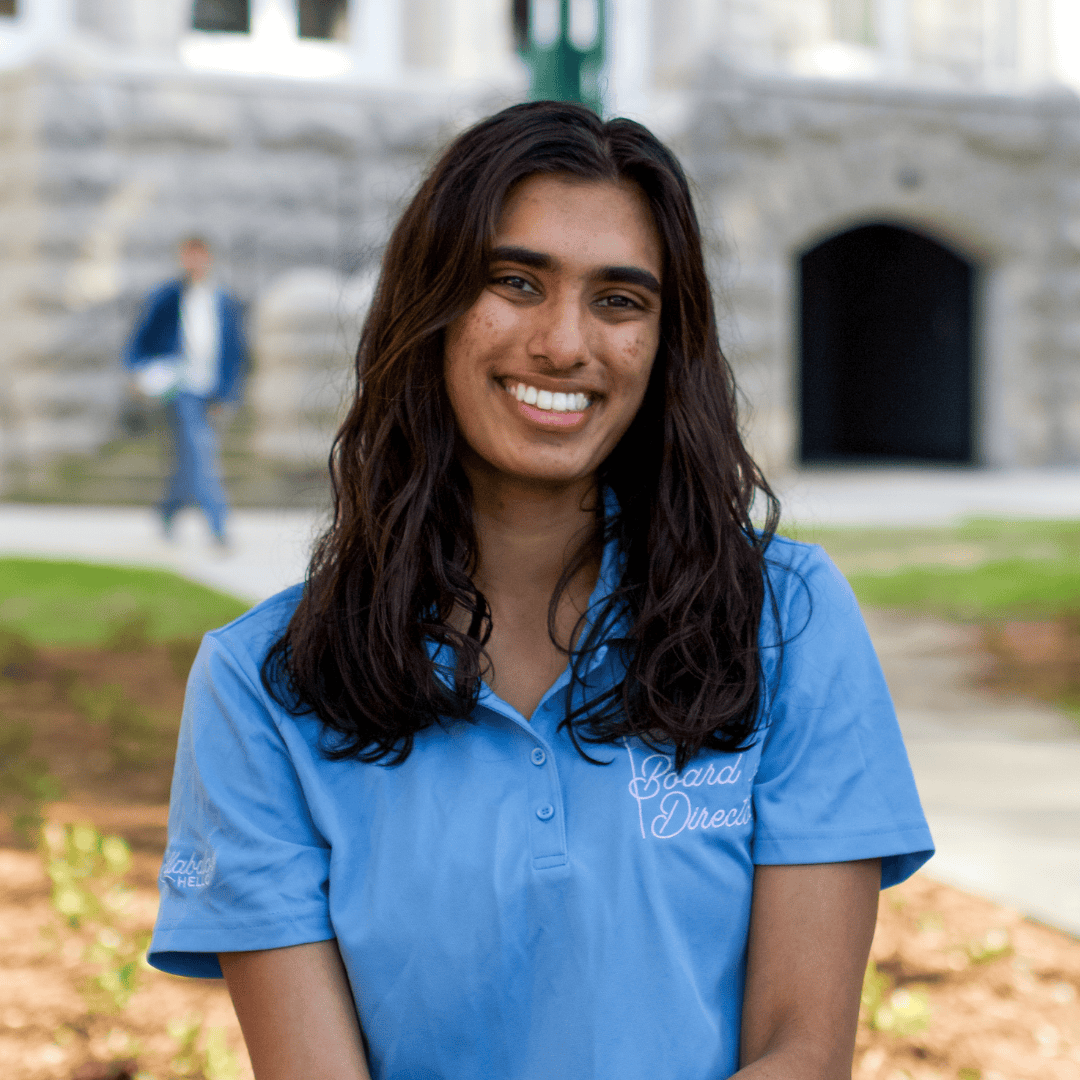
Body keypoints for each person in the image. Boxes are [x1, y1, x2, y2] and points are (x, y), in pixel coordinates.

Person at [148, 102, 933, 1080]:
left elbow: (800, 1053)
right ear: (427, 309)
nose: (565, 344)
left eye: (620, 299)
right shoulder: (262, 688)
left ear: (666, 342)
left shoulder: (788, 622)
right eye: (516, 283)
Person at [124, 236, 247, 546]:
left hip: (211, 389)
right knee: (202, 450)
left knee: (189, 458)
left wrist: (228, 394)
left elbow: (234, 352)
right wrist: (139, 372)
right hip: (180, 387)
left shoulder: (222, 300)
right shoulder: (168, 297)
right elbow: (140, 340)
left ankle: (168, 510)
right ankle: (218, 524)